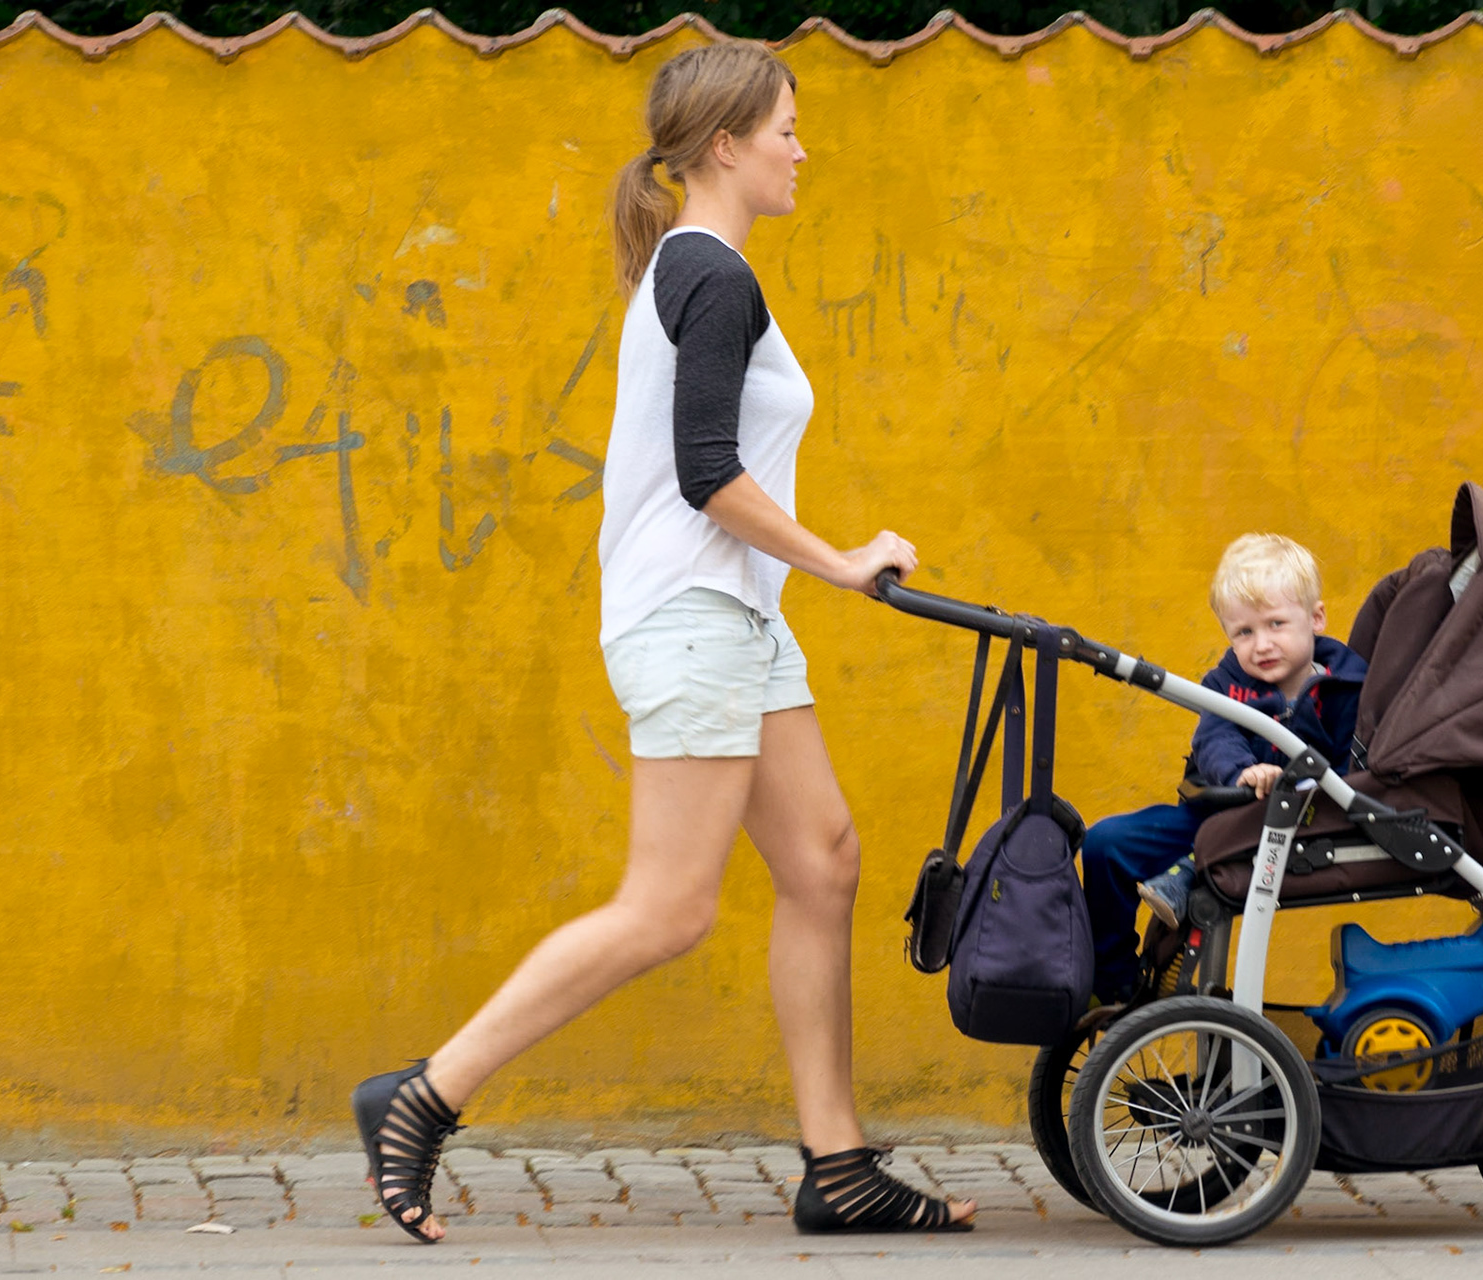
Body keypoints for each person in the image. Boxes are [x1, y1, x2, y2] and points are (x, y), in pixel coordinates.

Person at [351, 40, 974, 1243]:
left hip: (733, 614)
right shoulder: (711, 274)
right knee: (671, 905)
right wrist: (843, 558)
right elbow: (707, 476)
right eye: (788, 128)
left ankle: (838, 1164)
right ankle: (425, 1093)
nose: (804, 148)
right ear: (726, 145)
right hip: (695, 615)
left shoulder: (699, 270)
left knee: (826, 858)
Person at [1082, 534, 1367, 1003]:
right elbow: (1214, 736)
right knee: (1105, 843)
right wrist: (1242, 771)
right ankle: (1112, 981)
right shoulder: (1227, 684)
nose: (1262, 645)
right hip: (1217, 812)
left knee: (1206, 855)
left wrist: (1302, 785)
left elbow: (1352, 766)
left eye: (1276, 624)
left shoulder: (1346, 687)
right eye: (1244, 633)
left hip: (1299, 828)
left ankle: (1182, 876)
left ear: (1316, 619)